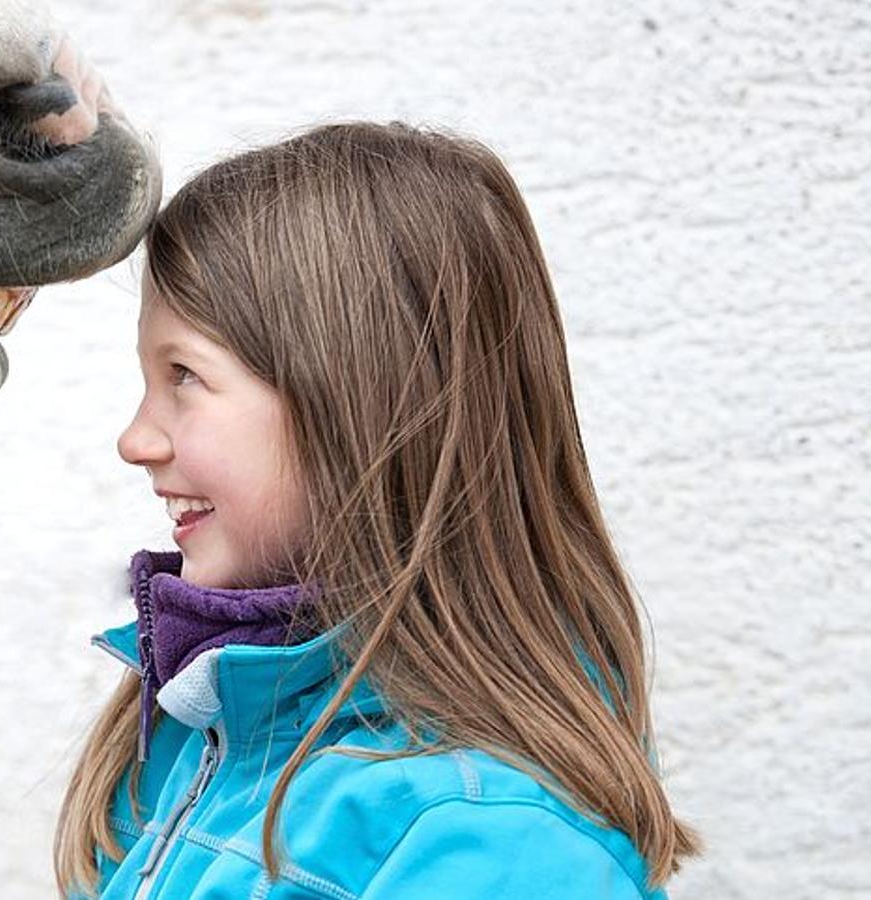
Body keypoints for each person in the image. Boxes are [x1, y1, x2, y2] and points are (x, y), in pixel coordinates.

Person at [54, 122, 700, 899]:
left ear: (364, 403)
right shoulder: (197, 732)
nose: (135, 440)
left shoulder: (493, 843)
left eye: (184, 375)